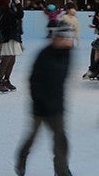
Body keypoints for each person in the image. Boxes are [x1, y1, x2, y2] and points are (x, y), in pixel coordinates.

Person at [15, 21, 74, 176]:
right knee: (32, 137)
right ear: (57, 38)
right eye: (65, 37)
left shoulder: (68, 53)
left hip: (57, 105)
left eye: (70, 37)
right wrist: (40, 101)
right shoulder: (44, 55)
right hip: (40, 106)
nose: (69, 40)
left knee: (61, 141)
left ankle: (61, 170)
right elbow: (34, 81)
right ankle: (21, 159)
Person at [0, 0, 24, 93]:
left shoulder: (5, 10)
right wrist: (19, 5)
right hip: (8, 37)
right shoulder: (5, 11)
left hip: (12, 36)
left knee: (12, 58)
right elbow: (20, 15)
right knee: (7, 58)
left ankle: (6, 80)